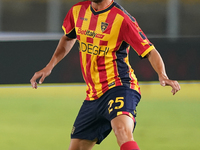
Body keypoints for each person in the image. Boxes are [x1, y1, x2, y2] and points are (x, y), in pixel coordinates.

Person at [30, 0, 181, 150]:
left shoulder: (122, 18)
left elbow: (149, 50)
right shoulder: (77, 10)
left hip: (120, 86)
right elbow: (68, 37)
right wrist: (49, 66)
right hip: (93, 95)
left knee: (122, 130)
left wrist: (163, 75)